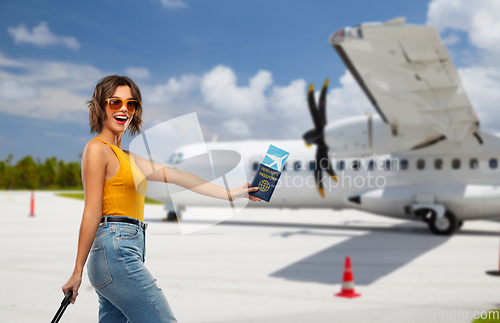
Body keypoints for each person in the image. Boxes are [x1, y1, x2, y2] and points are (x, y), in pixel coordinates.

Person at [62, 75, 260, 322]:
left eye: (131, 104)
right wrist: (77, 270)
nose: (124, 109)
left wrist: (231, 193)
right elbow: (92, 211)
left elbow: (177, 175)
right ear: (100, 106)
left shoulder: (129, 157)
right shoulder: (97, 149)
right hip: (115, 251)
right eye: (115, 102)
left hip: (124, 251)